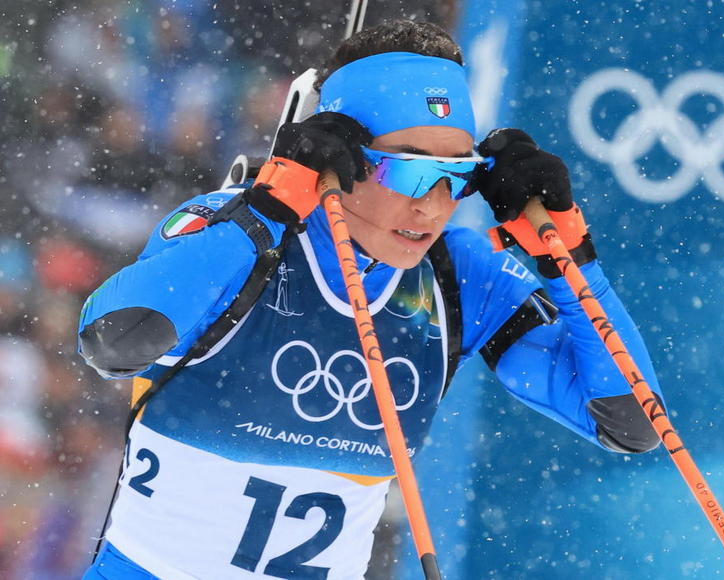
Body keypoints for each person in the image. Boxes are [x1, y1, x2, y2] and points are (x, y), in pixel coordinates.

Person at [77, 20, 664, 580]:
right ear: (341, 156)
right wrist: (268, 208)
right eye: (409, 173)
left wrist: (570, 261)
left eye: (456, 176)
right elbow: (115, 338)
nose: (432, 206)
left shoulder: (457, 274)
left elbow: (631, 422)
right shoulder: (238, 228)